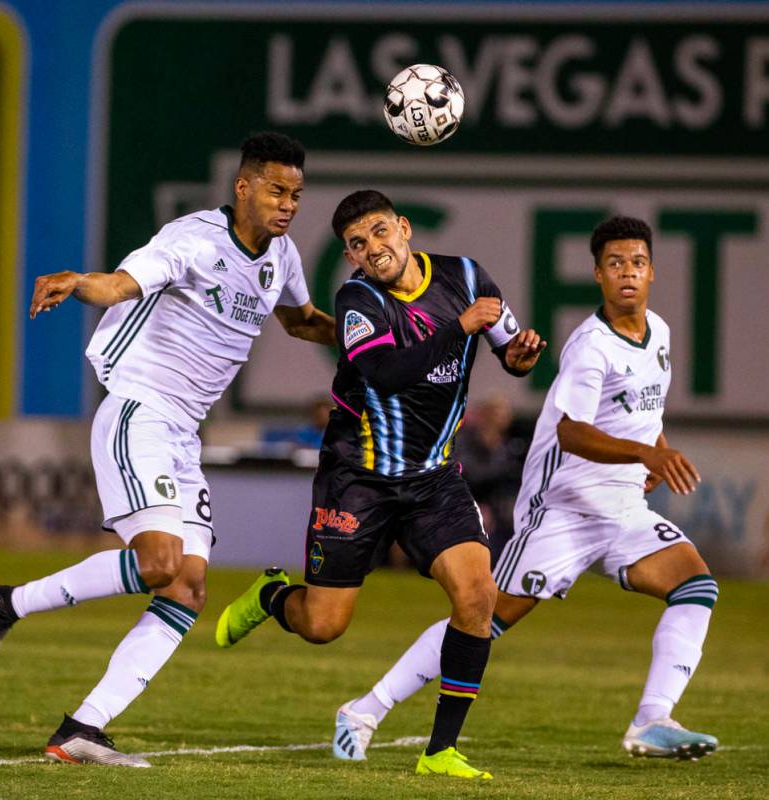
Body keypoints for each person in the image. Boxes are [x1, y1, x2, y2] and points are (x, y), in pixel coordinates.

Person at [0, 132, 335, 767]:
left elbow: (300, 320)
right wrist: (78, 281)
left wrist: (379, 336)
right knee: (162, 562)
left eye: (296, 195)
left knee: (188, 588)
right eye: (276, 190)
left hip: (183, 434)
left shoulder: (283, 256)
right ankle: (9, 601)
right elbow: (118, 286)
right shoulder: (192, 240)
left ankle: (82, 727)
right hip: (140, 412)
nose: (288, 205)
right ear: (242, 186)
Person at [332, 215, 719, 763]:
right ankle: (366, 708)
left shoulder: (660, 332)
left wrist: (654, 444)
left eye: (636, 262)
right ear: (597, 275)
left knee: (697, 587)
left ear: (652, 271)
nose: (627, 273)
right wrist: (644, 453)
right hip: (563, 511)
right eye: (614, 264)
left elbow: (642, 408)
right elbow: (572, 430)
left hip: (623, 508)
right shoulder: (591, 346)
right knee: (482, 621)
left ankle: (652, 720)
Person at [214, 190, 546, 780]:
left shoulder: (467, 276)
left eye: (379, 232)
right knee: (323, 626)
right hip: (357, 480)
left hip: (432, 479)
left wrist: (521, 356)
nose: (373, 249)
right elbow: (387, 374)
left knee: (477, 598)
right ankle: (271, 595)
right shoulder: (356, 300)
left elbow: (510, 356)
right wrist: (458, 327)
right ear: (351, 259)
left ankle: (440, 749)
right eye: (358, 245)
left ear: (405, 228)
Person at [455, 391, 527, 560]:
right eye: (496, 411)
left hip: (501, 505)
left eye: (505, 412)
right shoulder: (465, 442)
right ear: (484, 414)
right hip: (468, 501)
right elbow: (467, 474)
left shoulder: (512, 447)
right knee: (483, 517)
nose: (501, 416)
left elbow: (517, 480)